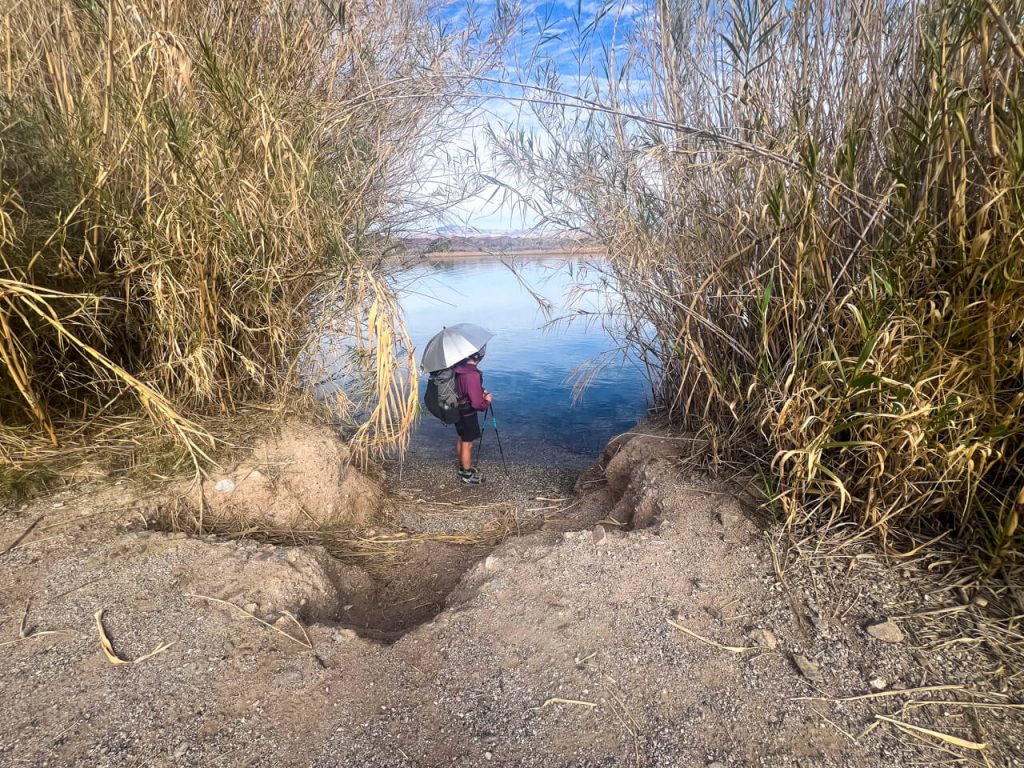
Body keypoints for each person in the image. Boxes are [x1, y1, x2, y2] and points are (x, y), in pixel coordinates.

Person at [452, 346, 492, 484]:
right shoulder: (472, 374)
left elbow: (463, 387)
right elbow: (477, 404)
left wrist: (481, 389)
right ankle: (467, 476)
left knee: (461, 438)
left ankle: (463, 467)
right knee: (467, 444)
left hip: (457, 409)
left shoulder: (457, 368)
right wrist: (486, 402)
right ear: (478, 357)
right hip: (467, 412)